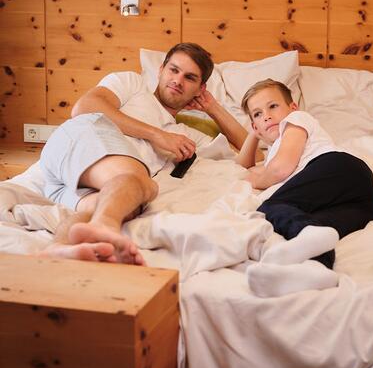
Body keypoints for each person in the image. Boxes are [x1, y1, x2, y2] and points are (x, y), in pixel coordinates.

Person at [39, 43, 248, 265]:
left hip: (82, 182)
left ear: (200, 89)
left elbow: (251, 152)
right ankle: (106, 227)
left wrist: (213, 107)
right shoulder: (133, 84)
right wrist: (156, 135)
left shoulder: (186, 137)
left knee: (121, 202)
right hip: (79, 143)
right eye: (173, 70)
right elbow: (84, 107)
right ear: (160, 70)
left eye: (190, 78)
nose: (178, 80)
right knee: (141, 183)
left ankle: (59, 249)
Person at [236, 79, 373, 297]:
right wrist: (255, 133)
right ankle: (317, 268)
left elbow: (280, 170)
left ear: (292, 107)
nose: (266, 116)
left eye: (273, 106)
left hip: (337, 166)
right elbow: (242, 165)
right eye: (257, 114)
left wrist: (254, 179)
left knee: (271, 207)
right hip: (361, 203)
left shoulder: (296, 121)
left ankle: (298, 258)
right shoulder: (272, 151)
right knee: (315, 231)